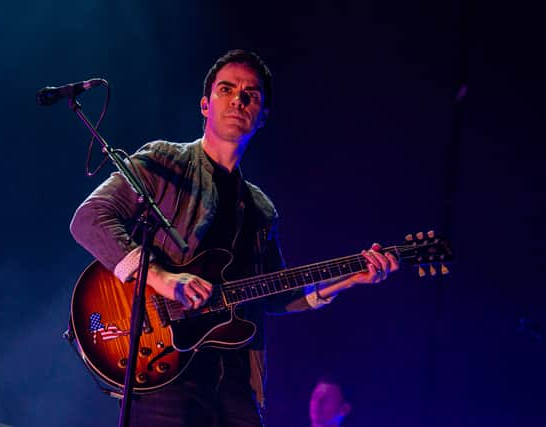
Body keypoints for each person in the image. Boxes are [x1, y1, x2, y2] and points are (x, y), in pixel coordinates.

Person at [70, 49, 398, 427]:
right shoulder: (165, 162)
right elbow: (88, 219)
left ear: (263, 118)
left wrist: (351, 277)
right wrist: (162, 278)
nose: (238, 99)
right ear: (206, 105)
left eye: (251, 94)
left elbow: (278, 294)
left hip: (234, 379)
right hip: (164, 367)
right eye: (227, 89)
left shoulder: (261, 208)